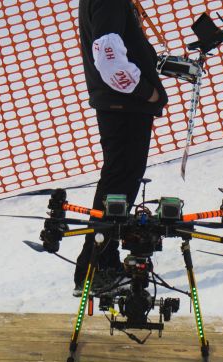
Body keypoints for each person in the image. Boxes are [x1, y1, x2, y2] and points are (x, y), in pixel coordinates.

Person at [74, 0, 168, 294]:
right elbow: (108, 58)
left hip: (120, 104)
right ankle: (96, 268)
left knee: (120, 181)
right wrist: (146, 92)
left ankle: (101, 262)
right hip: (124, 105)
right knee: (118, 182)